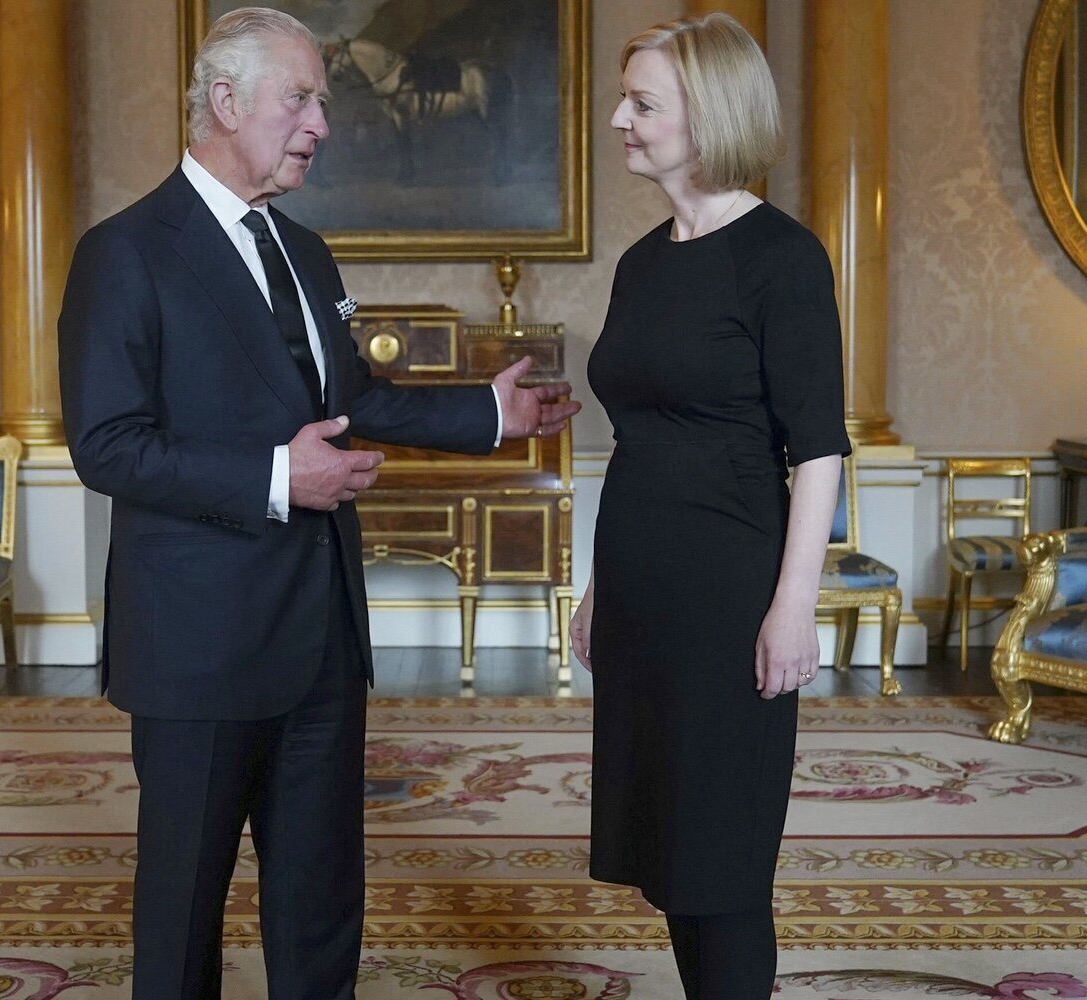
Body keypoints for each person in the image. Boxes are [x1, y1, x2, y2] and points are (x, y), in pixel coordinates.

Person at [57, 8, 580, 999]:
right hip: (199, 646)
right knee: (182, 913)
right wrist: (272, 477)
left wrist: (486, 413)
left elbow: (354, 402)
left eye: (322, 102)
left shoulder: (307, 251)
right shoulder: (123, 252)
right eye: (300, 98)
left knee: (322, 898)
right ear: (223, 102)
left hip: (322, 643)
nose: (321, 123)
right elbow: (106, 443)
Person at [570, 13, 851, 999]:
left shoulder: (782, 258)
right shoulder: (642, 263)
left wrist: (793, 605)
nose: (618, 119)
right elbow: (636, 439)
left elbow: (815, 447)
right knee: (670, 849)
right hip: (641, 586)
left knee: (720, 860)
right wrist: (600, 588)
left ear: (711, 111)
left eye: (640, 103)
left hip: (730, 591)